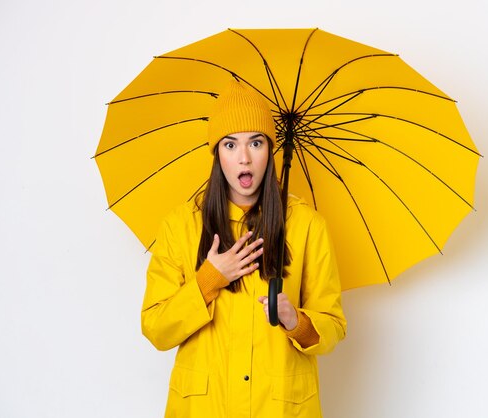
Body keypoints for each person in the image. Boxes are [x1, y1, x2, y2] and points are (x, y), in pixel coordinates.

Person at [141, 79, 346, 418]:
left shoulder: (308, 226)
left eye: (256, 142)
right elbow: (156, 329)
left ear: (271, 148)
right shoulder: (180, 225)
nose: (245, 158)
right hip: (205, 407)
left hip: (280, 407)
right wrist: (208, 279)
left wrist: (296, 321)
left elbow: (334, 326)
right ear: (216, 153)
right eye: (230, 145)